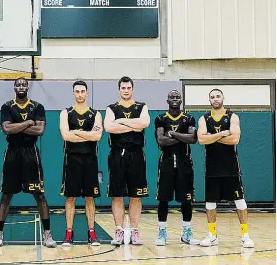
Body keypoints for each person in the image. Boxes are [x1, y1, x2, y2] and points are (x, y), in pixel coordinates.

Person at [0, 77, 56, 248]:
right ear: (14, 87)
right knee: (6, 196)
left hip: (31, 154)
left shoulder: (37, 106)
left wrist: (16, 126)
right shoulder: (7, 106)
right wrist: (27, 123)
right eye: (18, 84)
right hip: (12, 153)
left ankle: (47, 235)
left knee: (39, 195)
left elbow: (40, 130)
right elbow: (6, 129)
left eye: (23, 84)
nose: (21, 86)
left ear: (27, 87)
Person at [197, 89, 254, 248]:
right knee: (210, 203)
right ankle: (212, 235)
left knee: (240, 201)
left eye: (218, 96)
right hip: (212, 168)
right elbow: (201, 139)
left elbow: (235, 138)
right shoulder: (204, 118)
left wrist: (212, 137)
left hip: (231, 168)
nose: (215, 99)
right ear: (209, 100)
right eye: (212, 97)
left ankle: (245, 236)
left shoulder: (232, 116)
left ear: (223, 98)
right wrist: (222, 133)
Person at [104, 76, 150, 245]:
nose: (126, 90)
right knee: (117, 195)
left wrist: (122, 121)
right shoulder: (111, 108)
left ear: (132, 89)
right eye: (123, 88)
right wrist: (134, 125)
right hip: (117, 155)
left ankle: (135, 231)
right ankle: (119, 231)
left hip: (137, 154)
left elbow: (145, 123)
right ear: (119, 89)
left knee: (135, 196)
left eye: (128, 87)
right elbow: (109, 127)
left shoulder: (141, 106)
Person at [59, 80, 103, 246]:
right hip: (72, 160)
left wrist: (76, 132)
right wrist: (87, 134)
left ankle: (91, 233)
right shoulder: (66, 113)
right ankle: (69, 234)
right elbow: (65, 135)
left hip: (90, 160)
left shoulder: (95, 114)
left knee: (90, 197)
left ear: (87, 93)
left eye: (82, 91)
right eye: (77, 91)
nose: (79, 94)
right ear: (73, 93)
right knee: (71, 197)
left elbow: (97, 136)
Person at [154, 90, 200, 246]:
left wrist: (172, 134)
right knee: (163, 199)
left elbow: (193, 139)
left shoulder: (189, 118)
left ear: (181, 100)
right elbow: (161, 141)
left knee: (186, 200)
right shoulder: (160, 118)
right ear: (167, 100)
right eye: (172, 97)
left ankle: (186, 232)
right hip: (166, 162)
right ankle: (162, 233)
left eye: (177, 97)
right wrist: (182, 137)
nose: (175, 99)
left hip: (184, 163)